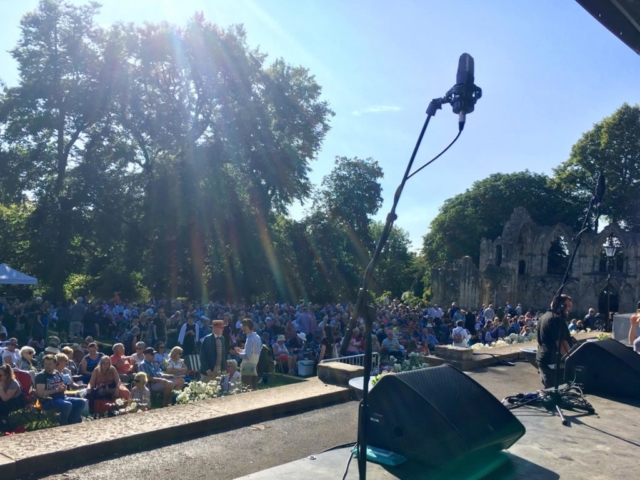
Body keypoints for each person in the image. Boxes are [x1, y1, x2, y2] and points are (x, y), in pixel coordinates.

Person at [536, 295, 575, 388]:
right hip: (553, 363)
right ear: (561, 306)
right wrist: (572, 363)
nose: (570, 310)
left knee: (549, 391)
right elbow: (562, 344)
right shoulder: (556, 319)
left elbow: (539, 342)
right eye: (568, 306)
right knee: (556, 392)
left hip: (543, 360)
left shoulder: (543, 317)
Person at [35, 355, 85, 425]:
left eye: (49, 364)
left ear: (55, 364)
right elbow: (41, 393)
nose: (47, 366)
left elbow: (60, 385)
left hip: (62, 397)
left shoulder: (57, 373)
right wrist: (56, 390)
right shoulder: (41, 376)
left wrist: (63, 388)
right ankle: (63, 424)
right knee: (67, 405)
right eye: (45, 363)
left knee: (81, 402)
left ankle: (73, 422)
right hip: (48, 400)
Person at [235, 318, 261, 390]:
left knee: (245, 388)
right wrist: (241, 351)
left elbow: (247, 356)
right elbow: (253, 352)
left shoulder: (250, 339)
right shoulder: (257, 337)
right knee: (254, 388)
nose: (241, 327)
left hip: (247, 366)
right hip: (254, 365)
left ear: (246, 327)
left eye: (242, 325)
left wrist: (237, 353)